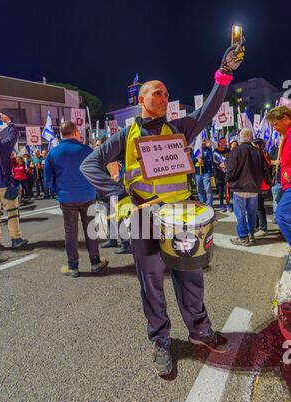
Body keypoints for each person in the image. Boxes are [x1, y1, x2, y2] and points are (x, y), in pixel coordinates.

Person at [80, 41, 245, 376]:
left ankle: (200, 332)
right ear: (141, 100)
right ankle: (160, 341)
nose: (163, 96)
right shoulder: (125, 135)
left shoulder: (181, 127)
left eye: (166, 93)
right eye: (156, 92)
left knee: (191, 276)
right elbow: (90, 165)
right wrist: (119, 196)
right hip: (142, 219)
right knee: (151, 281)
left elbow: (210, 110)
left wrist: (224, 74)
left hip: (181, 216)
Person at [44, 121, 108, 277]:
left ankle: (73, 266)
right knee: (90, 229)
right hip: (87, 195)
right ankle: (95, 262)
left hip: (66, 197)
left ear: (62, 134)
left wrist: (57, 190)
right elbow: (97, 172)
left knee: (70, 232)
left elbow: (47, 178)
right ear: (74, 132)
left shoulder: (53, 152)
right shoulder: (87, 150)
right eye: (78, 131)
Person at [0, 113, 28, 253]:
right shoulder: (2, 146)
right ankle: (16, 238)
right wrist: (9, 122)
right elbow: (14, 135)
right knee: (12, 212)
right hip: (4, 184)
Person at [226, 128, 268, 246]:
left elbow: (231, 170)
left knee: (240, 214)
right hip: (254, 188)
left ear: (240, 137)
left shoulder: (236, 151)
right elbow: (265, 169)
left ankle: (243, 237)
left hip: (239, 187)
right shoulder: (257, 151)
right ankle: (251, 235)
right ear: (251, 137)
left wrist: (228, 180)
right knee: (251, 213)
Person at [267, 106, 291, 246]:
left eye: (275, 124)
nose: (274, 128)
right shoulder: (286, 137)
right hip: (286, 184)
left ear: (286, 119)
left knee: (281, 216)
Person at [252, 138, 271, 238]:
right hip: (259, 184)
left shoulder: (259, 155)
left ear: (257, 145)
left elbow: (262, 170)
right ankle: (256, 226)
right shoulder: (263, 154)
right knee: (257, 206)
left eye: (253, 145)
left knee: (259, 207)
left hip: (258, 185)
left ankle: (263, 228)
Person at [192, 139, 213, 206]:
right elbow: (192, 160)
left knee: (208, 189)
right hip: (197, 173)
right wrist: (197, 159)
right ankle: (202, 203)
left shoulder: (208, 150)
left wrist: (203, 161)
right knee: (199, 189)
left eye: (204, 141)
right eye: (201, 141)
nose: (203, 142)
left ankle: (209, 204)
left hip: (206, 172)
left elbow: (210, 160)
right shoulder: (195, 150)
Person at [213, 137, 232, 212]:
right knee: (220, 190)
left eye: (225, 142)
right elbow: (213, 162)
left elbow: (232, 160)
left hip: (227, 174)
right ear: (219, 143)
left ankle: (228, 204)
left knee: (227, 190)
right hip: (219, 174)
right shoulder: (215, 151)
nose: (223, 143)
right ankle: (221, 205)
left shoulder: (228, 151)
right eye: (222, 142)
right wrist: (218, 165)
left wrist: (228, 165)